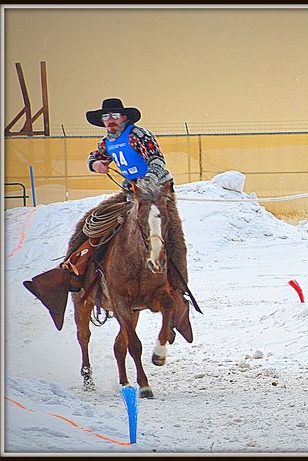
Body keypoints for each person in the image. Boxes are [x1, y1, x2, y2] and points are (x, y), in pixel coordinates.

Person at [25, 98, 189, 314]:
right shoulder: (107, 141)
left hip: (157, 193)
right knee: (89, 223)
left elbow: (157, 160)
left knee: (174, 238)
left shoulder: (138, 134)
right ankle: (71, 274)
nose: (110, 121)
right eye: (105, 117)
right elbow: (94, 156)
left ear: (124, 118)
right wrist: (96, 164)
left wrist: (146, 184)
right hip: (130, 193)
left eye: (114, 116)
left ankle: (177, 293)